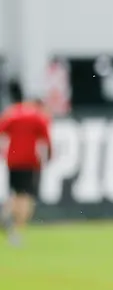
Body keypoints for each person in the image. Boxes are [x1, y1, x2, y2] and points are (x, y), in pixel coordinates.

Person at [0, 81, 53, 247]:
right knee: (27, 197)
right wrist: (49, 156)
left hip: (12, 159)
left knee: (15, 193)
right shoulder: (38, 116)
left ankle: (6, 213)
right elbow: (46, 139)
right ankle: (16, 232)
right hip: (30, 161)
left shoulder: (12, 114)